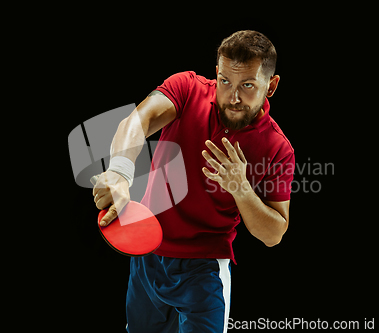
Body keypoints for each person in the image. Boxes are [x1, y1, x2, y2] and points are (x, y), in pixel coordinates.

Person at [92, 30, 294, 333]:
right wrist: (121, 170)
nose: (233, 97)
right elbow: (138, 120)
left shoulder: (277, 148)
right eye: (225, 81)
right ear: (217, 73)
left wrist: (241, 189)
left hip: (203, 271)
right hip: (148, 257)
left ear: (272, 85)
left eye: (248, 85)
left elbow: (274, 233)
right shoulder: (187, 88)